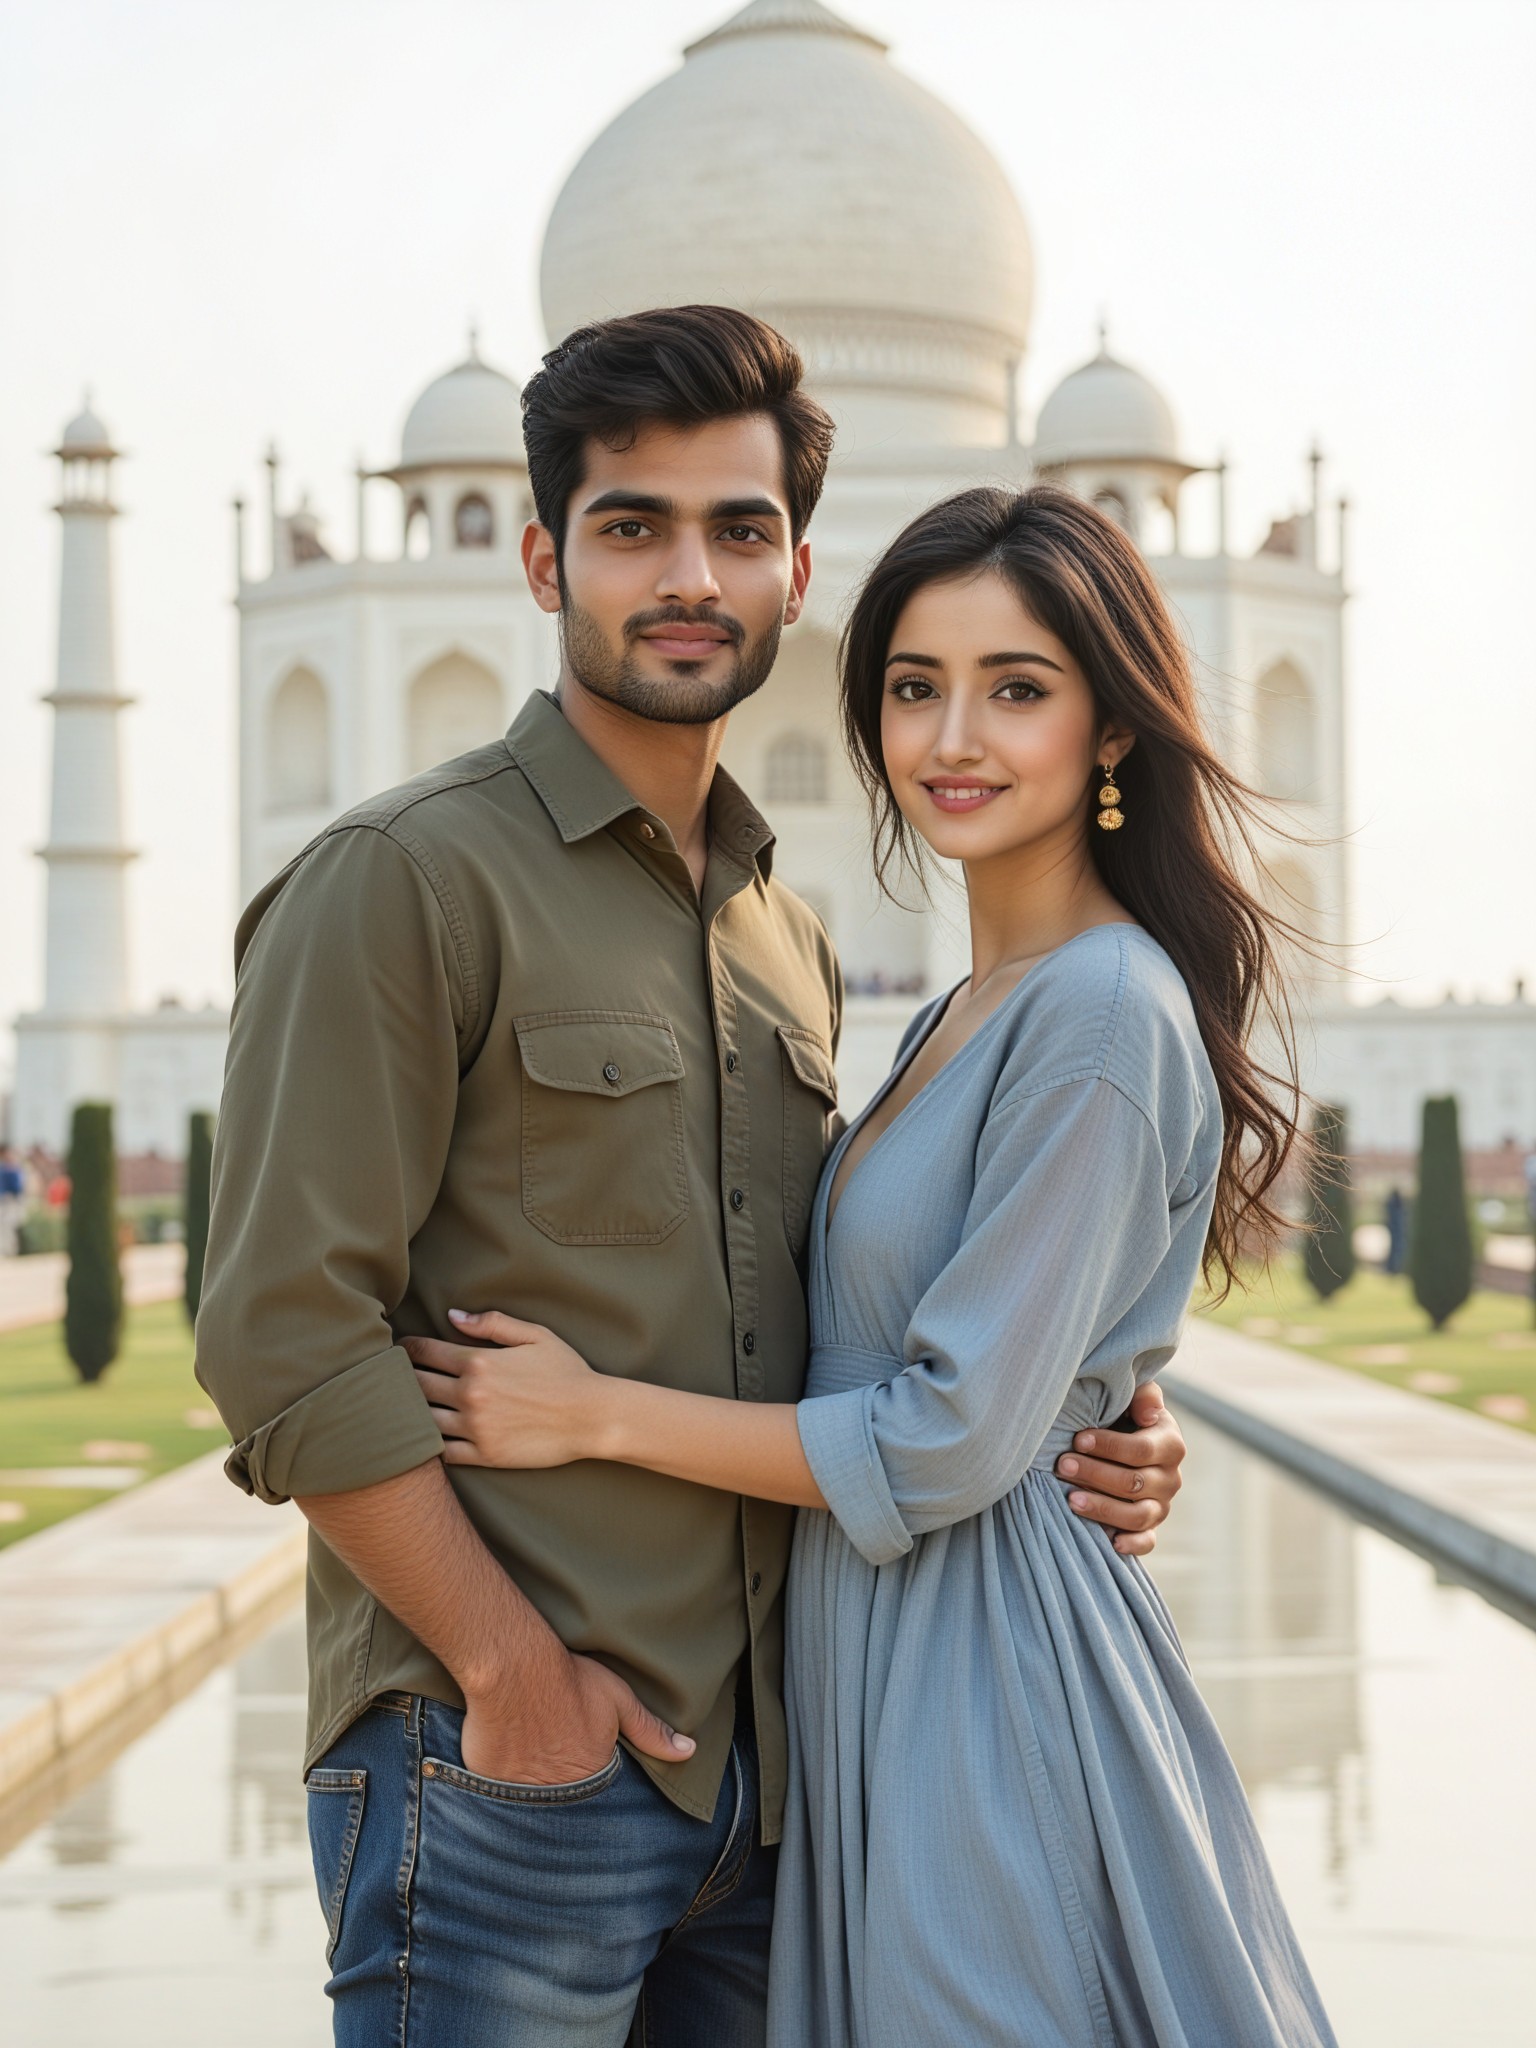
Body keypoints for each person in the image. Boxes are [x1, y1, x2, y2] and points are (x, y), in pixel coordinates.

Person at [194, 309, 1188, 2046]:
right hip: (514, 1770)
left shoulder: (785, 940)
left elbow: (865, 1322)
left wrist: (1097, 1411)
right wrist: (515, 1679)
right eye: (630, 524)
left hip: (770, 1786)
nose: (688, 576)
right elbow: (281, 1340)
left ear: (800, 569)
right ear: (536, 554)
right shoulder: (404, 882)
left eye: (736, 530)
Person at [411, 483, 1337, 2045]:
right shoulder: (957, 1015)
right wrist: (1096, 1409)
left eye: (1018, 689)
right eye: (916, 687)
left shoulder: (1102, 1008)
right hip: (888, 1655)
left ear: (1112, 730)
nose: (954, 737)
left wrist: (596, 1415)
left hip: (987, 1674)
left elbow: (945, 1433)